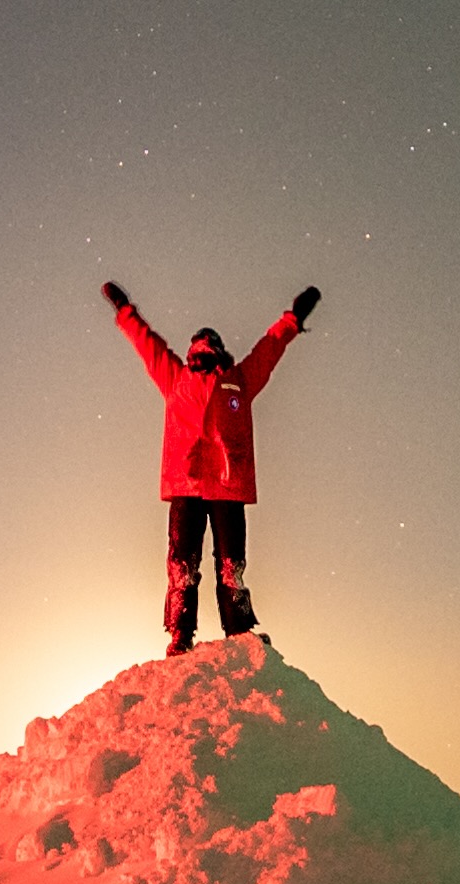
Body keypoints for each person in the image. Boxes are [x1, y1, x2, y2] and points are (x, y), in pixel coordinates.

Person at [102, 277, 315, 654]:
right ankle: (181, 635)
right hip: (187, 483)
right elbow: (147, 344)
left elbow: (269, 348)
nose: (203, 350)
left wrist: (293, 320)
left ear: (217, 349)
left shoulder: (239, 380)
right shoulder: (177, 378)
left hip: (226, 484)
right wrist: (125, 311)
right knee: (183, 564)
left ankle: (237, 632)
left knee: (229, 564)